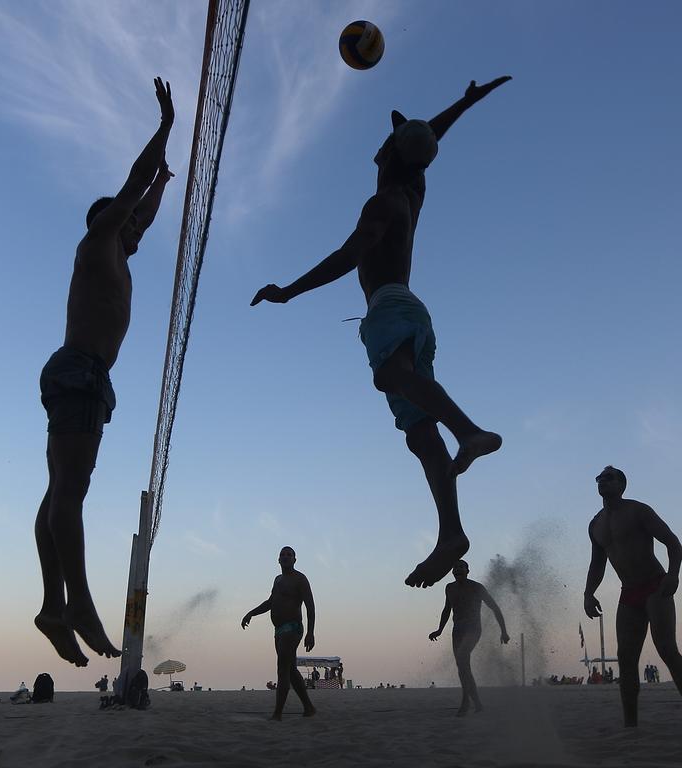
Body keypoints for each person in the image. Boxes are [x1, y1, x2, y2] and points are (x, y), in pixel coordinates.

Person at [251, 77, 512, 588]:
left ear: (391, 154)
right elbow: (423, 141)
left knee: (392, 374)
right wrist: (462, 102)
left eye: (380, 150)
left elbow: (350, 254)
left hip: (390, 308)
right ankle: (452, 532)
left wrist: (289, 291)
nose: (373, 155)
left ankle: (469, 432)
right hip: (408, 309)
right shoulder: (412, 192)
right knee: (418, 433)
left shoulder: (384, 202)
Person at [34, 77, 176, 667]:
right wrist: (164, 131)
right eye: (127, 221)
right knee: (72, 491)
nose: (135, 227)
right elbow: (130, 191)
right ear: (107, 220)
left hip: (78, 374)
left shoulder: (117, 252)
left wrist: (164, 185)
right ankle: (78, 602)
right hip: (80, 372)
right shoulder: (97, 241)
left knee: (59, 491)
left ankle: (51, 604)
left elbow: (142, 204)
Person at [584, 465, 682, 727]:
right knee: (626, 659)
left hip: (655, 586)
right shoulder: (595, 524)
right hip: (628, 594)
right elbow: (597, 564)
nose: (602, 482)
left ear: (621, 485)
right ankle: (631, 724)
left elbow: (672, 542)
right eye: (599, 479)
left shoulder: (638, 510)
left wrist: (673, 574)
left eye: (609, 478)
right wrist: (588, 593)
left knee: (666, 649)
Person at [241, 546, 316, 720]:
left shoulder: (300, 579)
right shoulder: (278, 580)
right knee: (290, 669)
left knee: (282, 669)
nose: (285, 556)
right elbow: (270, 602)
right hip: (279, 630)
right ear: (278, 559)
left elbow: (310, 606)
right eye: (282, 554)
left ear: (295, 560)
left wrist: (311, 632)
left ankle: (278, 713)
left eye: (289, 554)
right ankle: (309, 707)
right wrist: (251, 613)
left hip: (293, 628)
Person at [429, 560, 510, 716]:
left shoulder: (477, 588)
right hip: (457, 630)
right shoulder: (449, 588)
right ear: (452, 572)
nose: (458, 569)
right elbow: (447, 609)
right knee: (462, 668)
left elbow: (495, 608)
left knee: (462, 658)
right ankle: (475, 703)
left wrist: (504, 631)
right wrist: (439, 630)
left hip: (473, 629)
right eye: (455, 567)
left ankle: (466, 702)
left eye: (461, 567)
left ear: (467, 571)